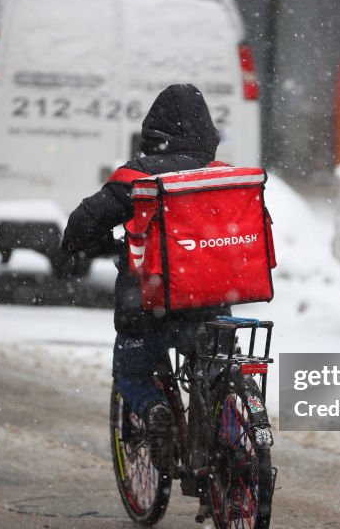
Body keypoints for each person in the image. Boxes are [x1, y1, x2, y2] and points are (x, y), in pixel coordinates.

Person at [60, 84, 228, 469]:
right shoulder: (221, 177)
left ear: (153, 132)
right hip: (212, 303)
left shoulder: (138, 177)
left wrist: (81, 247)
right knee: (217, 367)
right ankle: (235, 444)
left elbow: (82, 225)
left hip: (151, 307)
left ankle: (154, 409)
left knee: (132, 369)